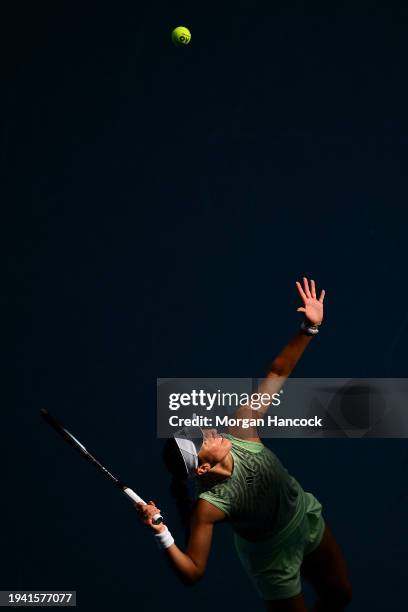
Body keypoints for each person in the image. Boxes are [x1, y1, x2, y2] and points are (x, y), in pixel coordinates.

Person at [136, 277, 352, 611]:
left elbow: (277, 372)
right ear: (202, 467)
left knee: (340, 595)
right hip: (272, 558)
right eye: (200, 440)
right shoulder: (209, 507)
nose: (208, 431)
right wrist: (161, 533)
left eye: (201, 428)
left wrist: (309, 329)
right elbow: (193, 572)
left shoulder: (241, 429)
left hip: (304, 517)